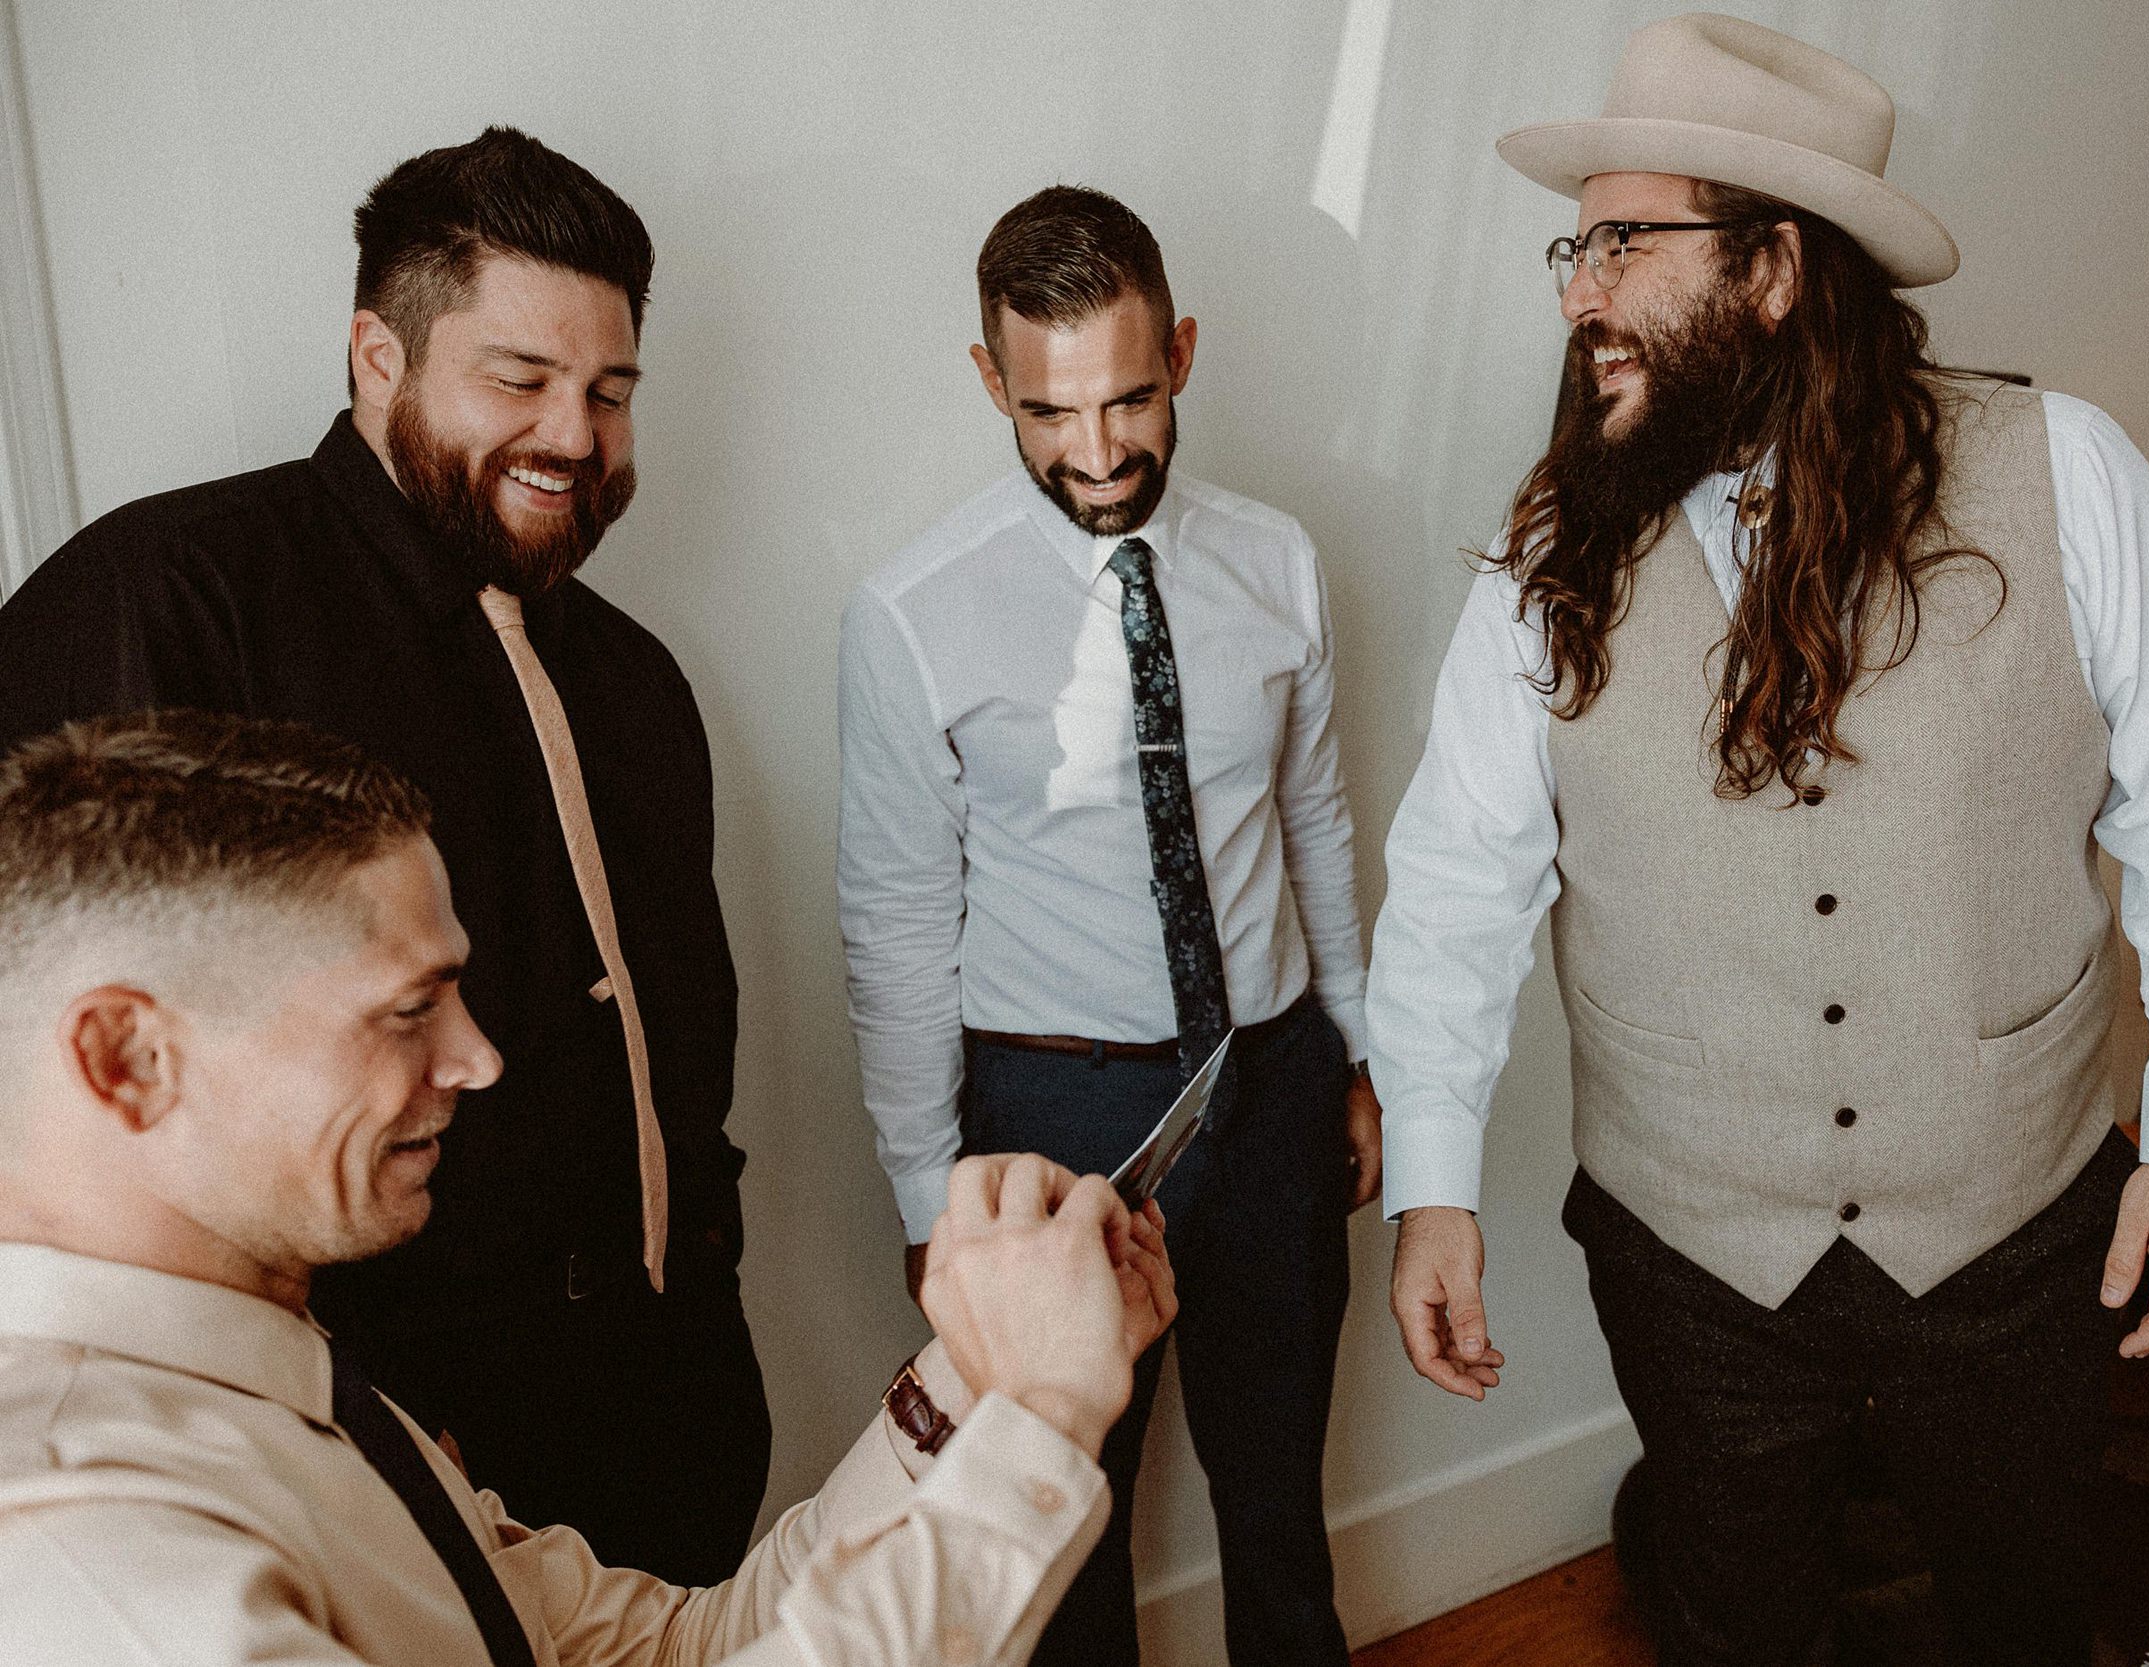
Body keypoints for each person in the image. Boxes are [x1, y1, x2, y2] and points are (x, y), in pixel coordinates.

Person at [1368, 16, 2149, 1665]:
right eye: (1574, 246)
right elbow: (1456, 875)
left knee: (2024, 1614)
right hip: (1692, 1246)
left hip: (2013, 1231)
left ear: (1777, 269)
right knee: (1742, 1631)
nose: (1580, 293)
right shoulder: (1546, 552)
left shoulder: (2063, 474)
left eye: (1625, 243)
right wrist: (1434, 1185)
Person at [0, 709, 1178, 1666]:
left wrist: (969, 1385)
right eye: (410, 1010)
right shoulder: (81, 1554)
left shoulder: (280, 1373)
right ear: (129, 1059)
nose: (477, 1059)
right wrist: (1042, 1419)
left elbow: (682, 1648)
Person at [0, 128, 766, 1581]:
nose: (575, 437)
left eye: (610, 392)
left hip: (674, 1404)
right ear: (376, 356)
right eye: (521, 379)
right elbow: (59, 1096)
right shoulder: (167, 598)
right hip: (373, 1450)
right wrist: (330, 1417)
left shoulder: (641, 678)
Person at [837, 185, 1373, 1667]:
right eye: (1052, 411)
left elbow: (1314, 819)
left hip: (1269, 1082)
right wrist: (919, 1194)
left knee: (1278, 1498)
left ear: (1183, 351)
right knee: (1058, 1532)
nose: (1099, 450)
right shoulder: (912, 614)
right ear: (989, 380)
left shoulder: (1278, 560)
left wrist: (1356, 1056)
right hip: (1047, 1111)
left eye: (1132, 396)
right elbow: (893, 924)